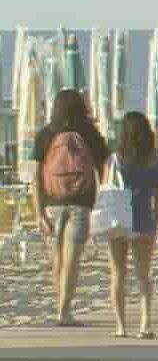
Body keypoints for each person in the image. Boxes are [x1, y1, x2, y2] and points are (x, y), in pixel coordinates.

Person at [34, 89, 106, 326]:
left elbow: (36, 176)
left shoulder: (46, 134)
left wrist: (38, 212)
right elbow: (104, 166)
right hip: (81, 203)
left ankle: (60, 306)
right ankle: (64, 312)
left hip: (52, 204)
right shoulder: (89, 133)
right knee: (72, 260)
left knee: (58, 258)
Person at [95, 112, 158, 338]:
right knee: (143, 275)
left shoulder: (116, 159)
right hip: (143, 220)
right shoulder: (155, 163)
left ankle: (120, 325)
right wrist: (155, 224)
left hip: (119, 218)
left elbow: (107, 187)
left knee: (118, 272)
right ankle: (145, 324)